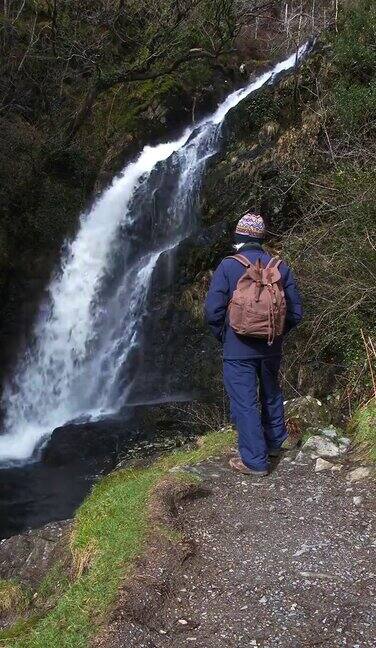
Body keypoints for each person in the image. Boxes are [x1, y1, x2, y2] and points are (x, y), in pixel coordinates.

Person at [204, 212, 303, 476]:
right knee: (271, 392)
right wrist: (276, 333)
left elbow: (212, 310)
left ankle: (255, 461)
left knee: (244, 402)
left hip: (237, 348)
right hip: (271, 346)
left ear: (239, 236)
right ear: (260, 238)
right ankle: (275, 441)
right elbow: (295, 313)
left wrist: (225, 336)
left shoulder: (228, 266)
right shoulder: (280, 266)